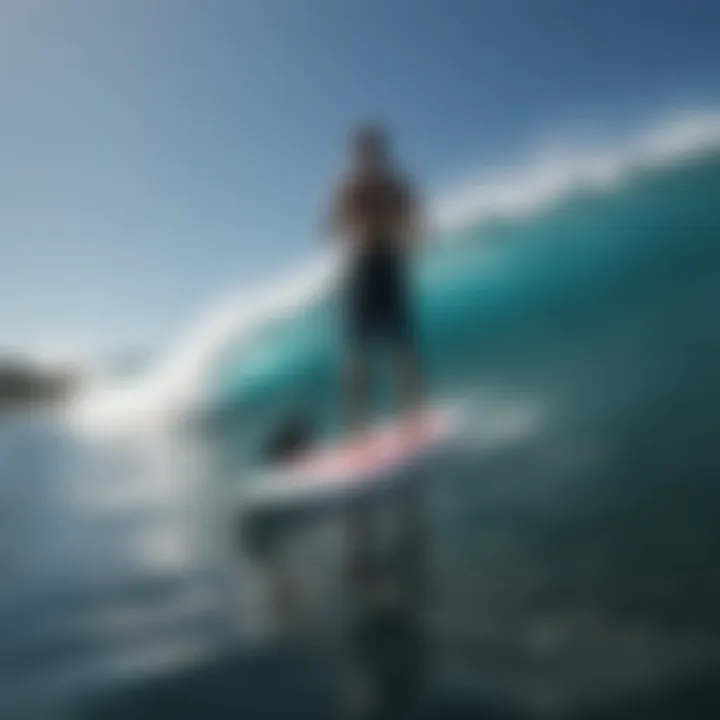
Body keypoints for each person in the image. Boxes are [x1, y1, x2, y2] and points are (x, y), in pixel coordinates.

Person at [326, 123, 425, 432]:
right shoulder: (349, 187)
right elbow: (333, 226)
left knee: (401, 344)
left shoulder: (395, 187)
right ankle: (357, 427)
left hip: (389, 264)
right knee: (358, 349)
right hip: (363, 265)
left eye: (374, 150)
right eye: (363, 152)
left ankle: (412, 418)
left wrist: (407, 239)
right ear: (356, 155)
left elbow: (415, 221)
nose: (369, 157)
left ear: (382, 153)